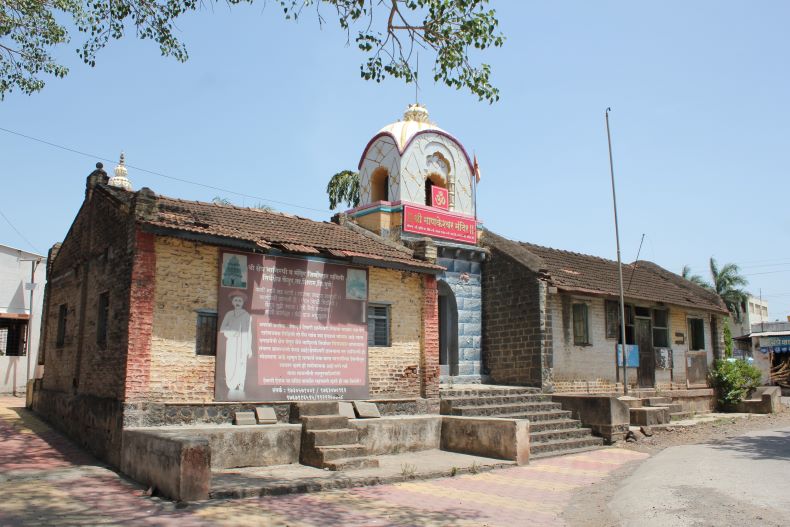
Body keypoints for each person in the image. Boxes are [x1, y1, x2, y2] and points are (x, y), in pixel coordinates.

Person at [221, 291, 252, 399]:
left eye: (240, 300)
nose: (238, 302)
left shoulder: (247, 315)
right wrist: (231, 332)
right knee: (230, 363)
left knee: (241, 364)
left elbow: (249, 332)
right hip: (232, 344)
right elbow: (222, 328)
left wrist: (249, 348)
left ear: (243, 302)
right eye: (236, 300)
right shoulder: (229, 314)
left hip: (242, 344)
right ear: (233, 302)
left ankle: (240, 384)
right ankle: (231, 384)